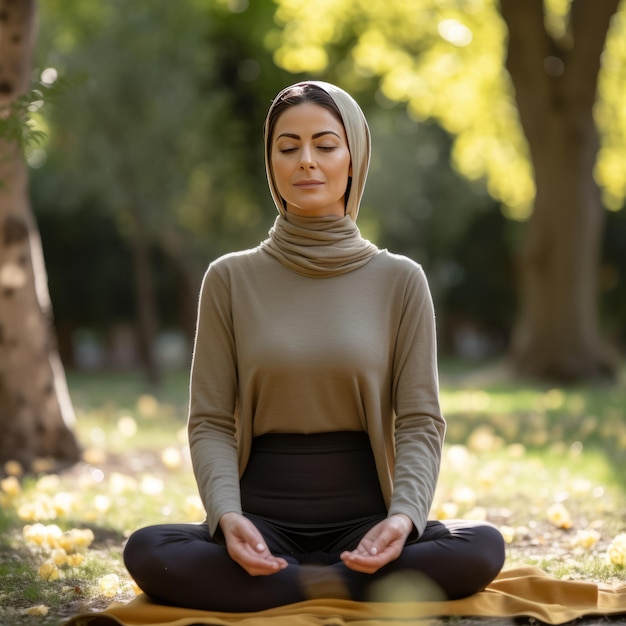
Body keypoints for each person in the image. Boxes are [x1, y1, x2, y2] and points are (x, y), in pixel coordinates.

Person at [123, 80, 506, 612]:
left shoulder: (400, 280)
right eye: (288, 147)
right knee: (150, 550)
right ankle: (338, 589)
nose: (307, 161)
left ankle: (294, 589)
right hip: (261, 524)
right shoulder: (230, 279)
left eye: (325, 145)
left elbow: (419, 421)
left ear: (354, 159)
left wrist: (403, 518)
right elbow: (210, 419)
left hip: (367, 525)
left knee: (481, 547)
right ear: (271, 163)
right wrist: (226, 518)